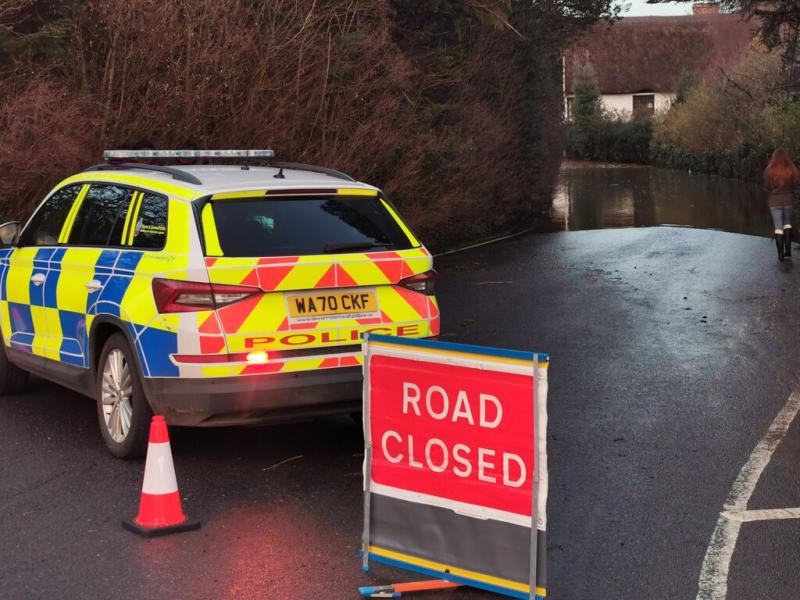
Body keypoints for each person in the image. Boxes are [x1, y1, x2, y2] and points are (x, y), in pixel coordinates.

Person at [765, 149, 798, 261]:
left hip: (775, 201)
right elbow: (795, 185)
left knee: (778, 227)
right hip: (788, 200)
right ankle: (788, 252)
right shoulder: (792, 170)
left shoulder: (770, 170)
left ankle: (780, 255)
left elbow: (767, 187)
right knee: (787, 224)